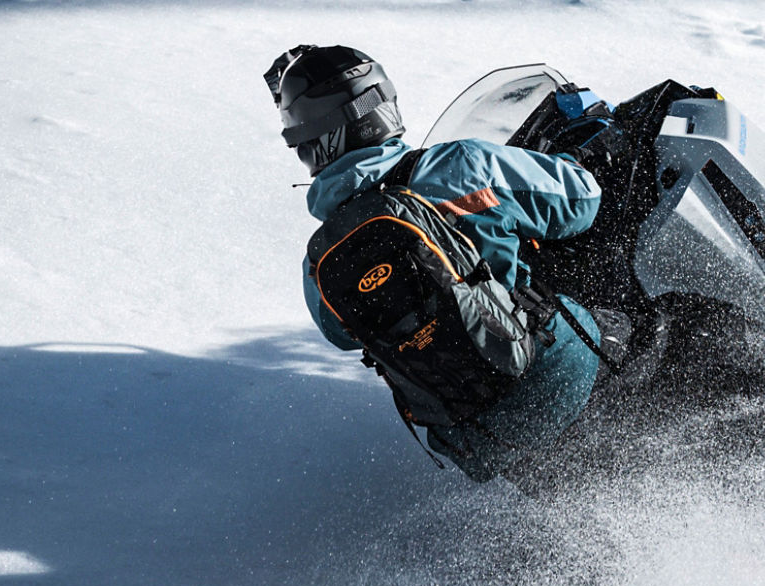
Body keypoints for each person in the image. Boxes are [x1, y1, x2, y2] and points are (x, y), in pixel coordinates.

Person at [265, 44, 624, 484]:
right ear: (382, 107)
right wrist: (573, 157)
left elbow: (340, 336)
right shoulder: (460, 165)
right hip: (550, 376)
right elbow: (580, 202)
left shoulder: (318, 261)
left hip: (475, 436)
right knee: (650, 326)